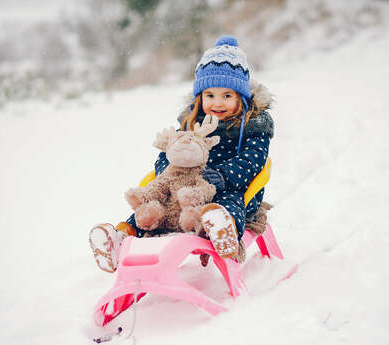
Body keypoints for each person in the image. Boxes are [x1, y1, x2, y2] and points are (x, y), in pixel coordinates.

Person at [89, 35, 274, 273]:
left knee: (228, 204)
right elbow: (170, 152)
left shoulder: (253, 127)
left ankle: (223, 231)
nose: (217, 103)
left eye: (227, 95)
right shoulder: (189, 125)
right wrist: (170, 173)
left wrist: (223, 176)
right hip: (183, 190)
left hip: (233, 187)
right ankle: (120, 238)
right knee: (153, 207)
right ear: (200, 97)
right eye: (210, 95)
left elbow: (254, 161)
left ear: (241, 97)